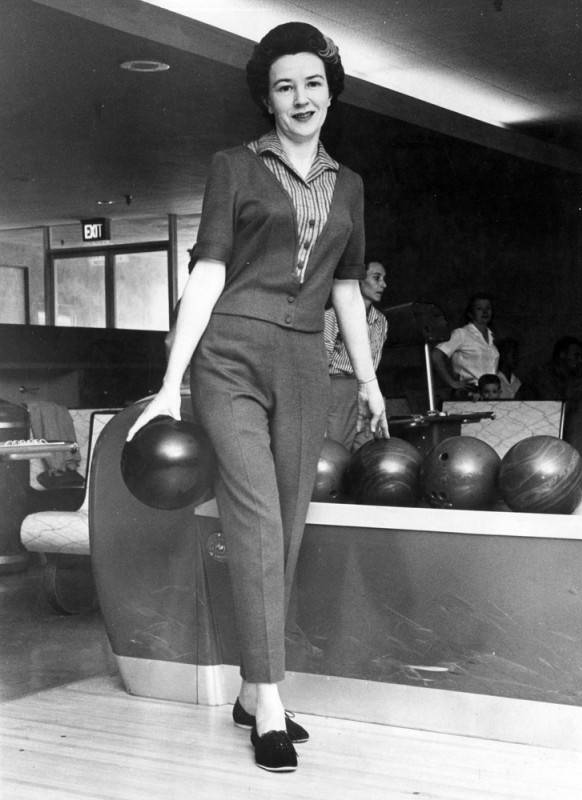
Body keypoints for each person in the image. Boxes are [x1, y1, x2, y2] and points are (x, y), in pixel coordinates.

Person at [126, 22, 388, 773]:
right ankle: (269, 701)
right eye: (283, 86)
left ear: (329, 89)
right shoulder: (233, 167)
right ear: (267, 101)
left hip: (307, 361)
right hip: (230, 357)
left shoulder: (352, 185)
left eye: (311, 82)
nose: (300, 98)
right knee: (254, 518)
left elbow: (344, 283)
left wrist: (366, 377)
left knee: (290, 523)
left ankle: (251, 686)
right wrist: (171, 382)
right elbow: (208, 271)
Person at [324, 259, 388, 450]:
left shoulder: (380, 321)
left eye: (384, 279)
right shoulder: (332, 315)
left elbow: (374, 360)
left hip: (365, 387)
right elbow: (322, 360)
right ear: (359, 280)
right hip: (336, 388)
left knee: (367, 447)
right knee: (336, 449)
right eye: (376, 278)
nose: (383, 285)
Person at [432, 292, 499, 399]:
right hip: (469, 393)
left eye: (488, 308)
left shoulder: (491, 336)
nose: (485, 312)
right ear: (471, 313)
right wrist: (452, 383)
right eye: (479, 308)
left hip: (489, 394)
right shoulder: (462, 334)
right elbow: (436, 355)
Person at [521, 336, 582, 403]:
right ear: (562, 355)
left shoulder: (572, 375)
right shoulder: (542, 375)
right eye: (576, 356)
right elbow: (554, 406)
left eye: (581, 356)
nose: (580, 360)